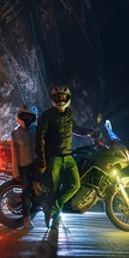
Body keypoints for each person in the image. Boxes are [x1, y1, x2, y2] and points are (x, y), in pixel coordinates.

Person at [35, 85, 95, 230]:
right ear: (53, 99)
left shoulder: (69, 113)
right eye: (58, 97)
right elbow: (39, 138)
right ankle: (54, 219)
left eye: (63, 97)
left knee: (75, 185)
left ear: (68, 99)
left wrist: (89, 133)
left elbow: (75, 129)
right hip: (53, 158)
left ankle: (55, 207)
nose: (61, 100)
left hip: (68, 156)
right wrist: (42, 159)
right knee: (53, 189)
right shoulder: (46, 115)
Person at [11, 105, 37, 229]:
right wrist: (15, 172)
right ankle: (26, 219)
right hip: (24, 166)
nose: (27, 118)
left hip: (37, 164)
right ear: (20, 116)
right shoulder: (15, 134)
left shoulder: (37, 131)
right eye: (24, 115)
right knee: (26, 191)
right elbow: (14, 154)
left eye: (29, 116)